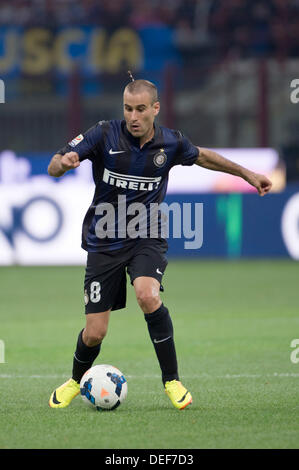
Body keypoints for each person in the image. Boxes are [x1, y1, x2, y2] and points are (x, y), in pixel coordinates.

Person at [47, 75, 272, 410]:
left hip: (146, 235)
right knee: (94, 333)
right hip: (104, 239)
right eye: (127, 109)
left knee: (148, 295)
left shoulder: (170, 143)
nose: (133, 116)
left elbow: (205, 157)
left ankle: (172, 380)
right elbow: (54, 164)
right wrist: (62, 166)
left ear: (155, 108)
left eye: (140, 109)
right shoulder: (103, 133)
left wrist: (248, 174)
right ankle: (75, 381)